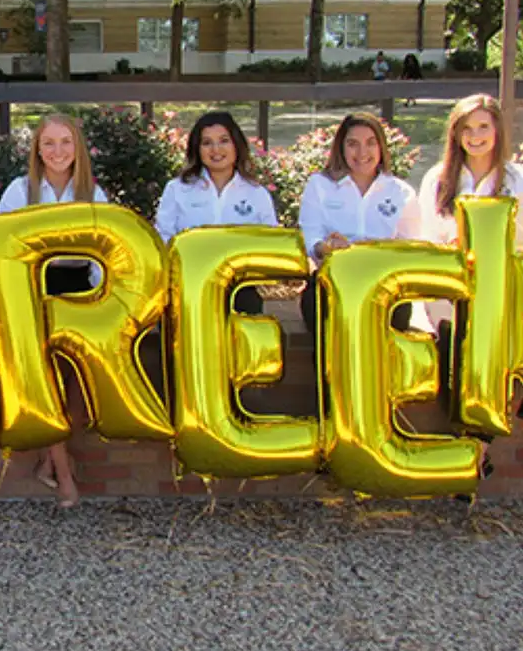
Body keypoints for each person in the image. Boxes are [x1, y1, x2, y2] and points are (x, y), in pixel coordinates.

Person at [0, 113, 109, 509]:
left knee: (79, 385)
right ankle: (64, 477)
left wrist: (98, 302)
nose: (57, 151)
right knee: (48, 387)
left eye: (65, 142)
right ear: (37, 150)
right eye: (49, 143)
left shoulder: (94, 194)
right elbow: (2, 249)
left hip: (81, 288)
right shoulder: (19, 191)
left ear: (77, 148)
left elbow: (104, 254)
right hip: (34, 291)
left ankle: (49, 458)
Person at [416, 94, 523, 474]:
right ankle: (471, 453)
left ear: (497, 130)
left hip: (499, 296)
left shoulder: (516, 180)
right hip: (450, 294)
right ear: (455, 134)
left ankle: (477, 452)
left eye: (483, 127)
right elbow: (426, 238)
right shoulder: (438, 179)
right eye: (467, 128)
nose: (475, 136)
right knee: (455, 367)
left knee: (496, 358)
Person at [298, 112, 419, 335]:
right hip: (333, 280)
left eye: (371, 143)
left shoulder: (402, 193)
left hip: (384, 283)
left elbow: (409, 248)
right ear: (341, 148)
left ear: (381, 147)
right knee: (317, 306)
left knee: (399, 313)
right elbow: (310, 236)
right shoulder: (320, 185)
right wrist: (325, 248)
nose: (362, 153)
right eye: (353, 144)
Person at [155, 111, 277, 315]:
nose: (216, 149)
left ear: (236, 145)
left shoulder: (257, 194)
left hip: (239, 289)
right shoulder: (177, 189)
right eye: (207, 143)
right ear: (197, 149)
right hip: (189, 287)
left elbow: (270, 243)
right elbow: (163, 238)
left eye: (224, 141)